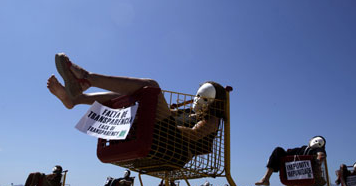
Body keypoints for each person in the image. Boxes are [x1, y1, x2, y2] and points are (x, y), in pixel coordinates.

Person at [48, 53, 228, 166]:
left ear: (214, 103)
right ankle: (78, 99)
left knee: (151, 87)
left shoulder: (212, 119)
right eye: (197, 95)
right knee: (137, 95)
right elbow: (169, 117)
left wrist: (164, 119)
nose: (198, 101)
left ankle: (87, 79)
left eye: (204, 99)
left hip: (175, 151)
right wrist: (169, 113)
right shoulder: (189, 113)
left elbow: (195, 134)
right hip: (161, 139)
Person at [255, 136, 326, 186]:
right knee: (278, 150)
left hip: (295, 174)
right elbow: (321, 156)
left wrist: (317, 162)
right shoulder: (303, 149)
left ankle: (266, 178)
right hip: (292, 171)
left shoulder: (316, 149)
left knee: (278, 150)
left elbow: (321, 155)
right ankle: (266, 179)